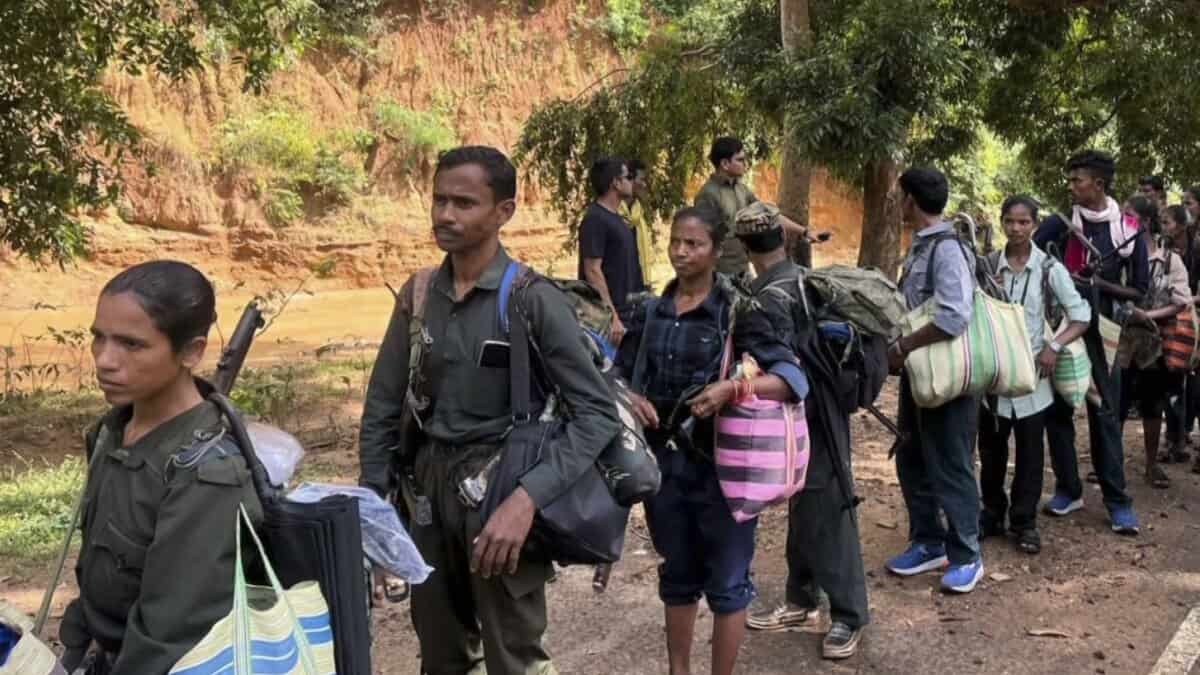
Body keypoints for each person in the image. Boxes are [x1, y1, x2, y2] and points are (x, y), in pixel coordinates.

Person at [359, 146, 619, 675]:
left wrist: (525, 502)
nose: (445, 215)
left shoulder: (530, 298)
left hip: (501, 491)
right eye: (438, 200)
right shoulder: (420, 294)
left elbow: (596, 415)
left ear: (504, 211)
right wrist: (373, 500)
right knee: (441, 655)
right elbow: (383, 402)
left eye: (464, 203)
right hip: (428, 498)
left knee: (514, 658)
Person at [618, 207, 806, 675]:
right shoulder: (649, 310)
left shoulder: (740, 311)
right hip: (663, 467)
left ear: (716, 251)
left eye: (694, 244)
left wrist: (734, 388)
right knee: (677, 575)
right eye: (676, 242)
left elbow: (791, 379)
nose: (682, 252)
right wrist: (628, 395)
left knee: (727, 583)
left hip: (726, 471)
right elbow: (611, 374)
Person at [59, 261, 264, 674]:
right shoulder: (111, 434)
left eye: (131, 345)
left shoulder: (208, 474)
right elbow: (98, 577)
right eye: (99, 338)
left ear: (191, 351)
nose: (105, 360)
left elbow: (170, 639)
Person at [735, 204, 870, 659]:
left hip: (809, 414)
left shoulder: (766, 294)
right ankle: (801, 597)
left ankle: (849, 616)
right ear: (783, 238)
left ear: (744, 247)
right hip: (814, 410)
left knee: (829, 507)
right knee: (805, 500)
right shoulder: (803, 280)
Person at [1034, 149, 1145, 535]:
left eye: (1076, 180)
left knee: (1105, 413)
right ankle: (1068, 488)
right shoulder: (1058, 225)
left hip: (1106, 332)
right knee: (1058, 408)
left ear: (1098, 184)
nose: (1071, 187)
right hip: (1062, 327)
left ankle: (1117, 501)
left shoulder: (1129, 229)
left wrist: (1098, 285)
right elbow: (1032, 259)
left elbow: (1139, 290)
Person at [884, 167, 984, 593]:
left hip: (948, 377)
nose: (897, 202)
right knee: (912, 457)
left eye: (900, 195)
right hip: (921, 376)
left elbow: (953, 315)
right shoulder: (923, 245)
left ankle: (966, 554)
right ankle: (928, 541)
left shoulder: (946, 249)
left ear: (910, 199)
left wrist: (904, 346)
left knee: (950, 462)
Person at [978, 196, 1090, 555]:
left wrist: (1053, 348)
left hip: (1034, 381)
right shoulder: (988, 264)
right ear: (1002, 223)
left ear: (1035, 226)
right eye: (1010, 221)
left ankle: (1024, 522)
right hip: (993, 378)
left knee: (1029, 455)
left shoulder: (1049, 269)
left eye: (1024, 222)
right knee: (992, 451)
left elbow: (1081, 316)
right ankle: (992, 513)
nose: (1016, 228)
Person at [1121, 201, 1193, 489]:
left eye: (1131, 217)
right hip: (1123, 343)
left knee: (1152, 406)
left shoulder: (1169, 261)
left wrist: (1146, 315)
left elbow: (1181, 302)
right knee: (1116, 403)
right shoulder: (1120, 256)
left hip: (1155, 345)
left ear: (1147, 222)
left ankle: (1151, 465)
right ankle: (1110, 465)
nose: (1124, 222)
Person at [693, 136, 806, 279]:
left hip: (744, 271)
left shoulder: (742, 190)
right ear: (725, 163)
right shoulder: (708, 195)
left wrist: (804, 232)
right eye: (740, 160)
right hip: (720, 276)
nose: (745, 164)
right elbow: (700, 239)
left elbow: (769, 216)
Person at [579, 156, 646, 344]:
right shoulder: (595, 219)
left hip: (628, 312)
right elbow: (592, 270)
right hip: (611, 320)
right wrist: (612, 317)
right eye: (629, 176)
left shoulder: (617, 218)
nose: (633, 181)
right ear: (615, 183)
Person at [620, 158, 656, 288]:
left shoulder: (637, 214)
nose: (644, 185)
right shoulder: (611, 215)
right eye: (641, 180)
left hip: (638, 282)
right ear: (629, 180)